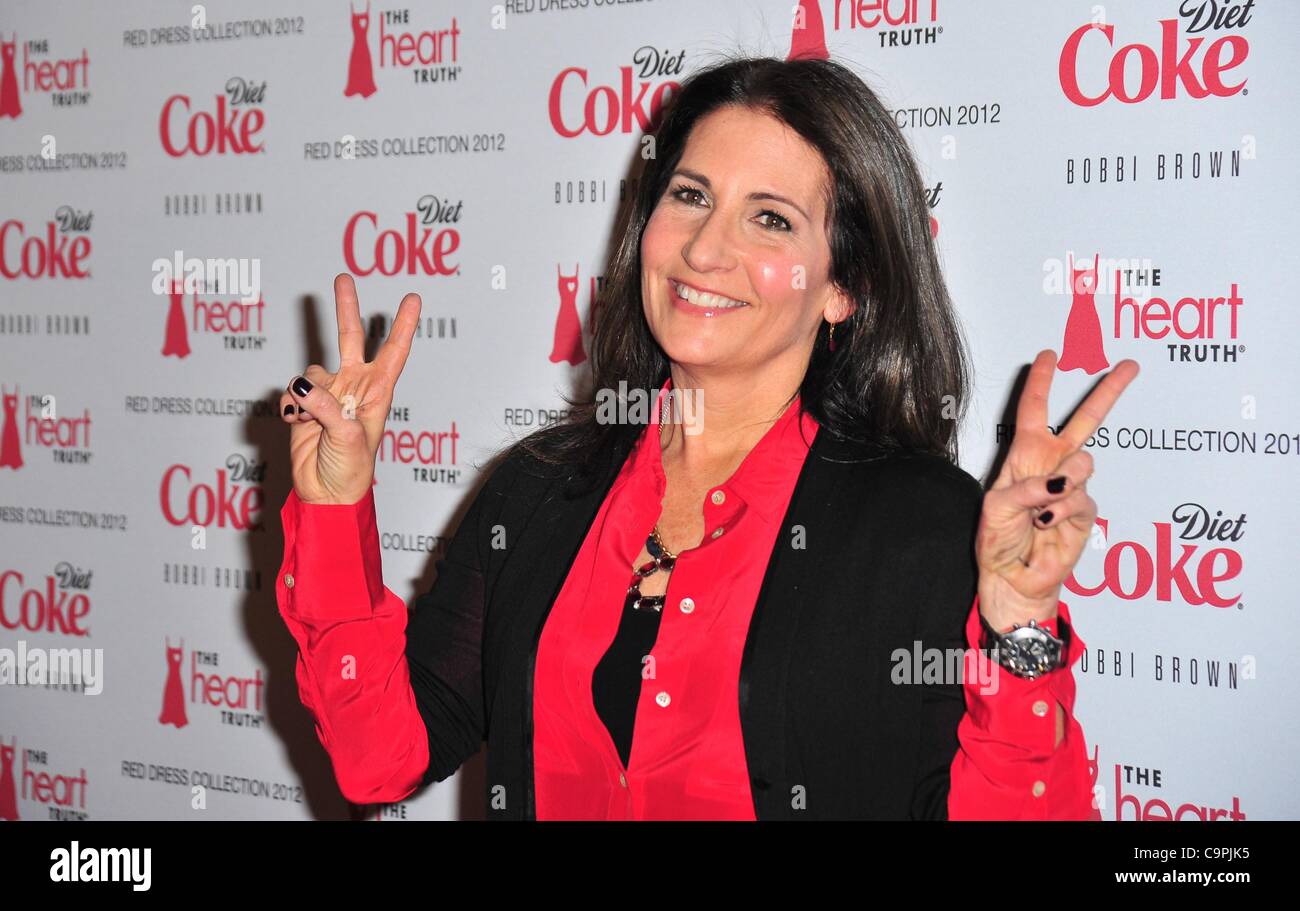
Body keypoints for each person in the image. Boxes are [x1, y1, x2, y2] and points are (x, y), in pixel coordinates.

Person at [275, 55, 1138, 820]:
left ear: (843, 288)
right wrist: (333, 506)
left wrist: (1020, 626)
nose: (704, 248)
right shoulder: (536, 491)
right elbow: (378, 757)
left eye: (770, 219)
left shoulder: (927, 528)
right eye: (689, 196)